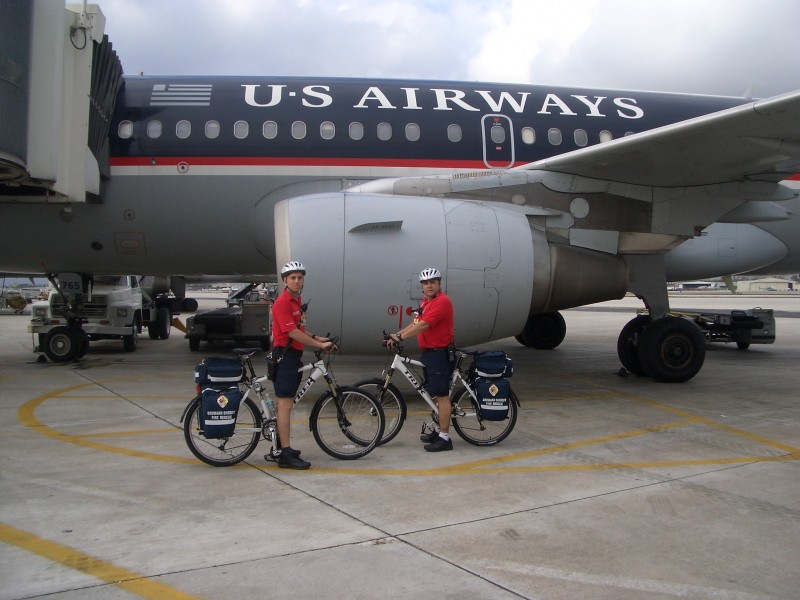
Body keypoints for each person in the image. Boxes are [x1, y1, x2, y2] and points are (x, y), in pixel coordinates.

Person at [267, 261, 335, 469]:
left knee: (285, 404)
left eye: (300, 277)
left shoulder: (297, 301)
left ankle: (281, 446)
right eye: (292, 278)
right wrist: (319, 345)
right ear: (285, 280)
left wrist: (317, 337)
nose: (297, 281)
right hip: (284, 356)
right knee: (285, 404)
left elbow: (299, 328)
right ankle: (285, 453)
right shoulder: (283, 303)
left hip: (293, 355)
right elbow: (292, 333)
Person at [388, 267, 455, 452]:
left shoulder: (442, 302)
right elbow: (414, 323)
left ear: (439, 284)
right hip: (429, 353)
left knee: (442, 396)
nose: (429, 286)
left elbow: (423, 326)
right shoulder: (426, 303)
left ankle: (445, 438)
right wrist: (396, 334)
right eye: (425, 283)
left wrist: (400, 338)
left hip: (439, 353)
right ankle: (439, 430)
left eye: (432, 282)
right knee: (434, 393)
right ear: (422, 287)